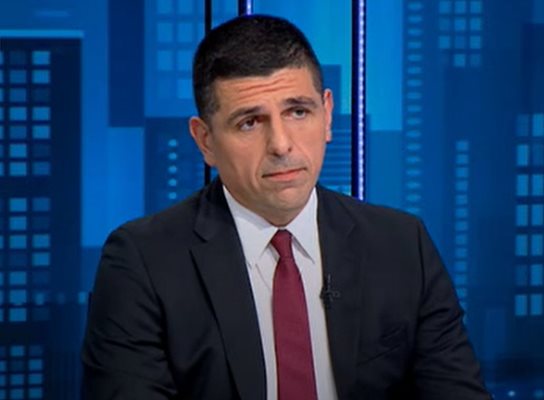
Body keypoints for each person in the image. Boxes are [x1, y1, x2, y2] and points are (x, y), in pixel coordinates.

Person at [81, 14, 491, 400]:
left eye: (298, 112)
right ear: (205, 141)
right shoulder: (143, 263)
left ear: (327, 115)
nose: (281, 144)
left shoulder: (401, 245)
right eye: (249, 122)